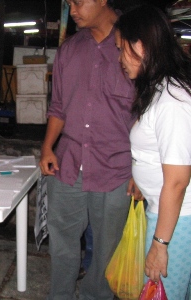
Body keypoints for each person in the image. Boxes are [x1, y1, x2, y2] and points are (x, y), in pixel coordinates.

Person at [39, 0, 141, 298]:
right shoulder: (69, 50)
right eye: (69, 3)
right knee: (62, 246)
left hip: (117, 169)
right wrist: (47, 147)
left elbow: (146, 113)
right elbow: (58, 107)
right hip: (68, 164)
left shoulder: (134, 44)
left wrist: (142, 169)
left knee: (107, 253)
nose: (72, 9)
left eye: (78, 2)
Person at [115, 4, 191, 299]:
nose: (120, 58)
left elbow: (177, 180)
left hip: (177, 223)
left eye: (123, 49)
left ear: (142, 45)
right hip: (168, 214)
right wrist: (142, 177)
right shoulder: (161, 88)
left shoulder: (173, 99)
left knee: (162, 294)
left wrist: (160, 244)